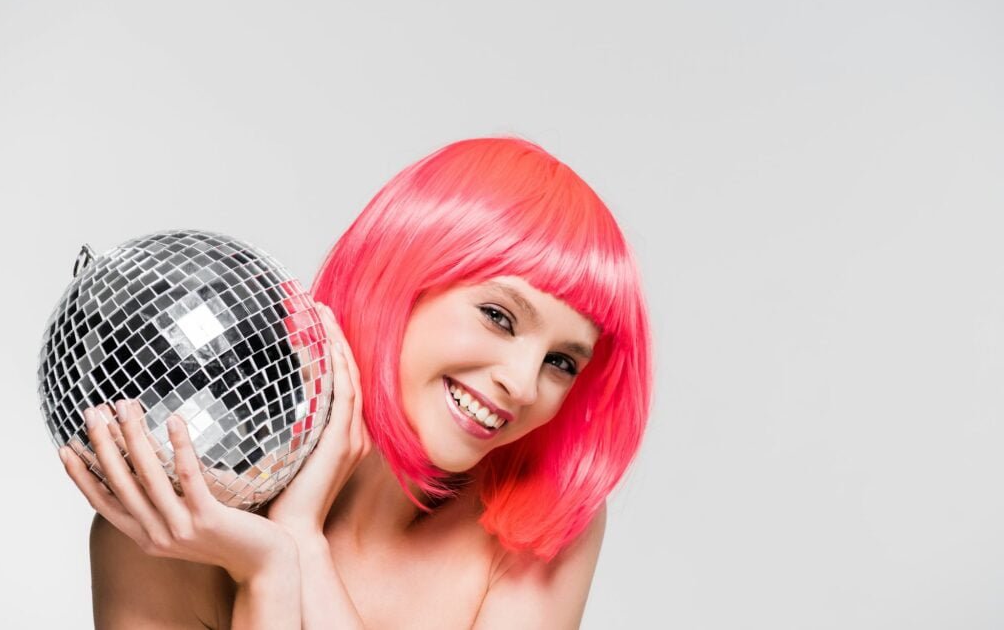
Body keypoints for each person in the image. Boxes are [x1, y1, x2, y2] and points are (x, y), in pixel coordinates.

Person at [61, 137, 654, 629]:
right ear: (400, 279)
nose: (523, 385)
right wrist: (269, 571)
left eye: (562, 362)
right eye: (498, 316)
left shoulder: (545, 520)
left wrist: (295, 550)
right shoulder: (177, 524)